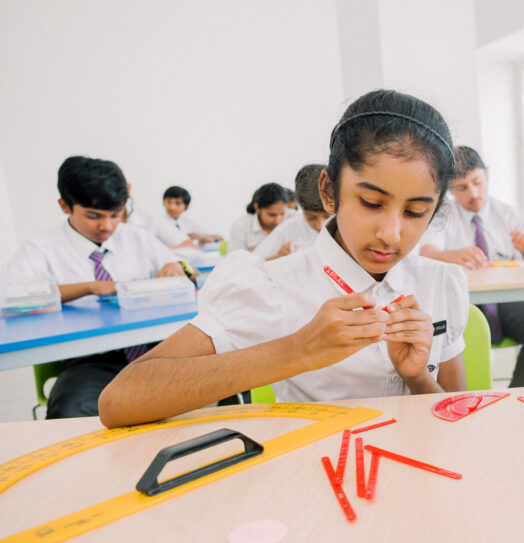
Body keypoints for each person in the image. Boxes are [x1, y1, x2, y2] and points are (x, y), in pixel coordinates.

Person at [98, 89, 468, 428]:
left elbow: (456, 421)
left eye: (416, 211)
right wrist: (298, 350)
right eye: (371, 203)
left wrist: (418, 377)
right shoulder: (271, 285)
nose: (391, 233)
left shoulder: (440, 284)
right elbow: (119, 401)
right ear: (328, 191)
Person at [4, 156, 187, 418]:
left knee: (222, 377)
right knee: (70, 409)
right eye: (94, 216)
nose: (107, 226)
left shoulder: (137, 237)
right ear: (64, 205)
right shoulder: (41, 248)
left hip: (156, 350)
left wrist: (175, 268)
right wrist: (88, 288)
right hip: (91, 360)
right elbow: (14, 299)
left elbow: (181, 266)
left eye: (115, 214)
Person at [420, 146, 524, 387]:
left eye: (477, 182)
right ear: (449, 188)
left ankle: (519, 396)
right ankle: (466, 402)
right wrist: (455, 254)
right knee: (449, 334)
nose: (473, 193)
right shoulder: (442, 215)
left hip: (507, 303)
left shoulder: (510, 215)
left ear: (486, 174)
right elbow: (426, 253)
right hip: (464, 302)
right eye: (461, 188)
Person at [252, 164, 331, 260]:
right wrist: (276, 259)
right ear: (299, 206)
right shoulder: (288, 229)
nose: (320, 226)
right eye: (311, 218)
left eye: (327, 216)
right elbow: (251, 264)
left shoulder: (347, 223)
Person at [227, 183, 288, 253]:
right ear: (257, 208)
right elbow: (236, 261)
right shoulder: (241, 226)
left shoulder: (292, 219)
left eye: (282, 214)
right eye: (272, 215)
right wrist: (263, 254)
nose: (278, 221)